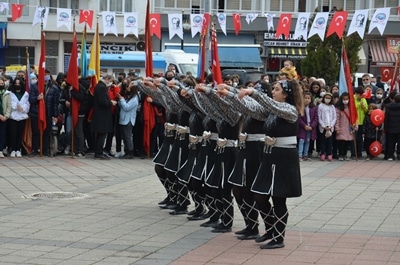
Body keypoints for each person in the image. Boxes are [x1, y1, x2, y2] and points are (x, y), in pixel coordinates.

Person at [238, 79, 304, 249]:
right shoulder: (273, 111)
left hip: (284, 158)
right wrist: (232, 93)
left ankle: (279, 238)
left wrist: (254, 93)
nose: (273, 92)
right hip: (270, 156)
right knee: (259, 196)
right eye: (273, 88)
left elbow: (268, 104)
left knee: (278, 199)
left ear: (286, 94)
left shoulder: (289, 110)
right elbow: (251, 109)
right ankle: (271, 229)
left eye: (276, 89)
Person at [91, 74, 117, 160]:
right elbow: (102, 101)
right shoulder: (101, 87)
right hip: (102, 115)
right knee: (102, 134)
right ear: (107, 79)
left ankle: (99, 151)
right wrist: (111, 103)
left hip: (100, 115)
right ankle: (99, 153)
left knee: (101, 134)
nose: (110, 83)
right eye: (110, 81)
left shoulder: (99, 86)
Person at [116, 80, 139, 159]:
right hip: (123, 119)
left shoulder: (135, 98)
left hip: (128, 120)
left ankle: (130, 152)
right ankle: (126, 151)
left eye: (129, 87)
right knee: (124, 137)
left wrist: (121, 99)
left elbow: (126, 107)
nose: (127, 88)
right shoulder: (130, 96)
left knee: (128, 137)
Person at [8, 78, 30, 158]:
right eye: (16, 84)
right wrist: (15, 106)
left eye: (19, 83)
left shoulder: (26, 93)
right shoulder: (10, 93)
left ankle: (18, 149)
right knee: (13, 133)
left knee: (20, 134)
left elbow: (27, 104)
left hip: (22, 116)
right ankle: (13, 149)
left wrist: (23, 108)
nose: (17, 85)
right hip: (13, 116)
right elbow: (9, 103)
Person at [335, 92, 355, 161]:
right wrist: (337, 128)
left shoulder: (351, 108)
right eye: (344, 99)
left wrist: (355, 127)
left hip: (349, 127)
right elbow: (337, 118)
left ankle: (345, 154)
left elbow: (355, 118)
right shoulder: (339, 108)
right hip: (341, 127)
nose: (345, 100)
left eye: (347, 99)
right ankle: (341, 154)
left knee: (347, 142)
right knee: (341, 142)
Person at [298, 91, 318, 161]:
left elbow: (316, 118)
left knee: (307, 141)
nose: (307, 100)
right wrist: (304, 126)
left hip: (310, 128)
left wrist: (312, 126)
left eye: (308, 98)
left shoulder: (314, 108)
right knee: (301, 141)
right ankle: (299, 155)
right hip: (302, 128)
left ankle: (305, 155)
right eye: (305, 98)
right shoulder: (300, 107)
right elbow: (299, 118)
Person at [318, 92, 336, 161]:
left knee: (330, 141)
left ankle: (329, 154)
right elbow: (319, 117)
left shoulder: (332, 107)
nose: (327, 99)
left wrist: (331, 126)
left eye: (329, 98)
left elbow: (334, 117)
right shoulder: (321, 106)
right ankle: (322, 153)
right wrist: (323, 126)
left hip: (330, 127)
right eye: (326, 98)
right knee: (322, 141)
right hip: (323, 127)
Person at [352, 86, 369, 159]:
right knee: (353, 138)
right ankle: (353, 153)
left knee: (359, 138)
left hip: (361, 122)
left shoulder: (363, 99)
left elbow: (366, 110)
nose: (361, 96)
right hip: (354, 122)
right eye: (360, 95)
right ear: (356, 94)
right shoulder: (352, 98)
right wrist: (359, 105)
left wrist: (364, 107)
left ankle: (359, 153)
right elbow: (353, 107)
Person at [383, 94, 400, 161]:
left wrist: (386, 128)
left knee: (391, 142)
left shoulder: (389, 107)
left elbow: (386, 119)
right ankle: (399, 154)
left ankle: (390, 155)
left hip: (390, 128)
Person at [0, 78, 11, 158]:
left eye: (2, 83)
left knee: (2, 134)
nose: (1, 85)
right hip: (0, 116)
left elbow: (9, 106)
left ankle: (1, 150)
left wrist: (6, 116)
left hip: (4, 117)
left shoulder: (7, 93)